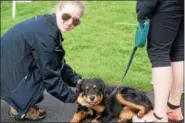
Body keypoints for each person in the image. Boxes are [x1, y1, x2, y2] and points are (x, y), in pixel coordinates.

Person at [1, 1, 85, 121]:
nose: (69, 23)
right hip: (6, 68)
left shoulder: (47, 25)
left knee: (45, 65)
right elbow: (50, 78)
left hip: (9, 62)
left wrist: (78, 81)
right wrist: (75, 98)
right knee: (42, 73)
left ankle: (18, 100)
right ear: (57, 11)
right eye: (66, 16)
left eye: (75, 21)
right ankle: (17, 107)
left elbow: (56, 61)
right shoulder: (46, 36)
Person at [133, 0, 184, 122]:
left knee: (159, 53)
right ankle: (173, 108)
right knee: (178, 52)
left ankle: (159, 116)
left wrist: (142, 12)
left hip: (165, 5)